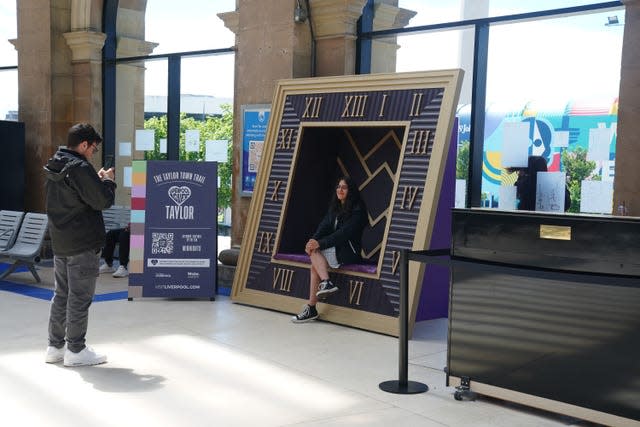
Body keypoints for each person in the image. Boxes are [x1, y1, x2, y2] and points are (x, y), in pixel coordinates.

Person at [43, 123, 116, 366]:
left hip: (61, 241)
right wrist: (107, 182)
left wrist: (93, 181)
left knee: (61, 295)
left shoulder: (56, 163)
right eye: (93, 148)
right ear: (83, 144)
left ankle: (55, 347)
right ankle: (76, 350)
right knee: (80, 297)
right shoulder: (80, 167)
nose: (93, 153)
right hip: (83, 243)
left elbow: (73, 197)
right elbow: (102, 201)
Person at [292, 176, 367, 323]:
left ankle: (325, 284)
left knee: (315, 253)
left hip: (349, 253)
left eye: (344, 187)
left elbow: (343, 235)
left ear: (351, 191)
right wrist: (312, 241)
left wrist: (319, 244)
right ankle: (312, 307)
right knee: (314, 264)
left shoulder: (358, 211)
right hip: (337, 249)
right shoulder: (336, 208)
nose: (340, 190)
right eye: (338, 187)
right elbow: (324, 226)